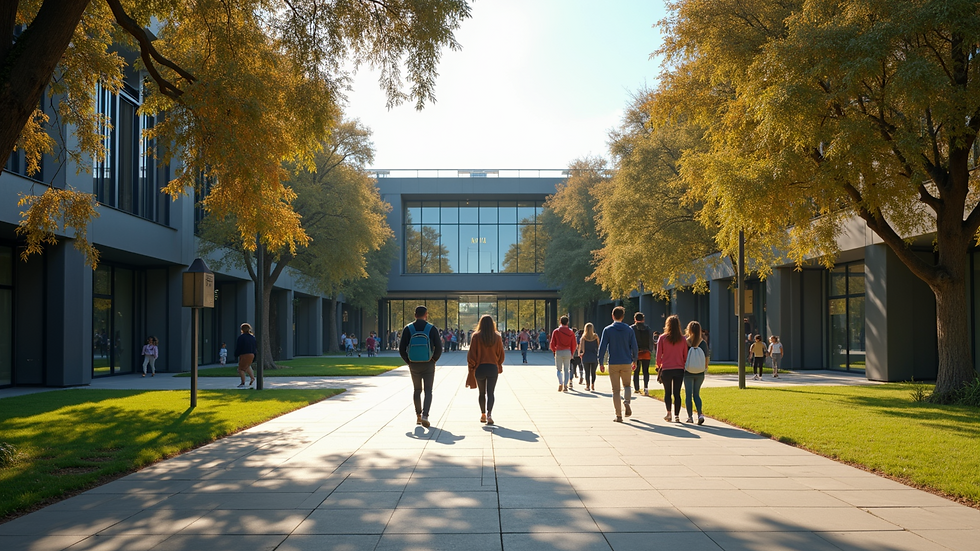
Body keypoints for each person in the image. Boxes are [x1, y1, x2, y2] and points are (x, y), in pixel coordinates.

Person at [399, 305, 443, 428]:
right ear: (426, 314)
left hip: (414, 364)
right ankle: (425, 415)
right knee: (428, 390)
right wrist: (433, 360)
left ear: (415, 315)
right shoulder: (431, 328)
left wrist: (408, 361)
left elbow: (402, 348)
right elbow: (439, 348)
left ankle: (418, 415)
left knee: (417, 390)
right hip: (428, 363)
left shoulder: (408, 328)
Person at [599, 306, 639, 422]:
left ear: (613, 316)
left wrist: (600, 361)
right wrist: (635, 360)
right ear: (623, 316)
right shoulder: (629, 330)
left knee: (615, 390)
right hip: (626, 361)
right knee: (627, 385)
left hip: (613, 362)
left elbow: (602, 347)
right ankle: (626, 401)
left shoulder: (608, 330)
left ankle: (618, 415)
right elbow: (634, 346)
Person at [466, 314, 505, 425]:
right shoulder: (497, 337)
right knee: (491, 392)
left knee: (481, 393)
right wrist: (499, 363)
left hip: (480, 368)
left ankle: (482, 414)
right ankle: (489, 414)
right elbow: (501, 354)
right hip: (492, 367)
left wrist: (472, 366)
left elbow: (471, 354)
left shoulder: (476, 336)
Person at [656, 315, 687, 422]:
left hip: (666, 369)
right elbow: (685, 355)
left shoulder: (662, 338)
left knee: (667, 392)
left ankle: (669, 413)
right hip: (679, 369)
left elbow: (658, 354)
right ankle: (677, 415)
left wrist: (658, 365)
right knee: (677, 393)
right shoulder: (683, 339)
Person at [683, 321, 710, 425]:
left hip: (688, 372)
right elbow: (707, 357)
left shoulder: (686, 342)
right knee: (697, 394)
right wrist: (704, 367)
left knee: (688, 395)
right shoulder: (703, 343)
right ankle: (700, 414)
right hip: (700, 372)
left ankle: (690, 417)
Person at [550, 316, 577, 392]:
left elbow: (552, 343)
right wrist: (572, 352)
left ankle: (560, 383)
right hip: (567, 351)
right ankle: (566, 385)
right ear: (567, 322)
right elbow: (574, 344)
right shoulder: (571, 332)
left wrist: (554, 351)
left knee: (559, 369)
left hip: (558, 351)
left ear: (560, 322)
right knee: (567, 369)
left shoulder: (556, 331)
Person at [631, 312, 654, 396]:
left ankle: (637, 388)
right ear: (643, 319)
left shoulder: (632, 328)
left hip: (636, 352)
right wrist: (650, 350)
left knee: (636, 371)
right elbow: (651, 340)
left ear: (635, 319)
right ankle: (646, 387)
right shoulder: (648, 328)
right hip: (646, 352)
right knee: (645, 371)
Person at [578, 322, 600, 392]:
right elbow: (598, 346)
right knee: (593, 372)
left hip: (586, 357)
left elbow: (581, 348)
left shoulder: (583, 338)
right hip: (594, 356)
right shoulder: (596, 336)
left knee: (587, 372)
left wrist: (580, 354)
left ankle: (587, 385)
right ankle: (593, 384)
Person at [235, 323, 257, 388]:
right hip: (252, 354)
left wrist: (236, 354)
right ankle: (252, 377)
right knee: (247, 366)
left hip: (244, 354)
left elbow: (239, 347)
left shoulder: (241, 338)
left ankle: (243, 382)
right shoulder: (252, 337)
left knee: (240, 369)